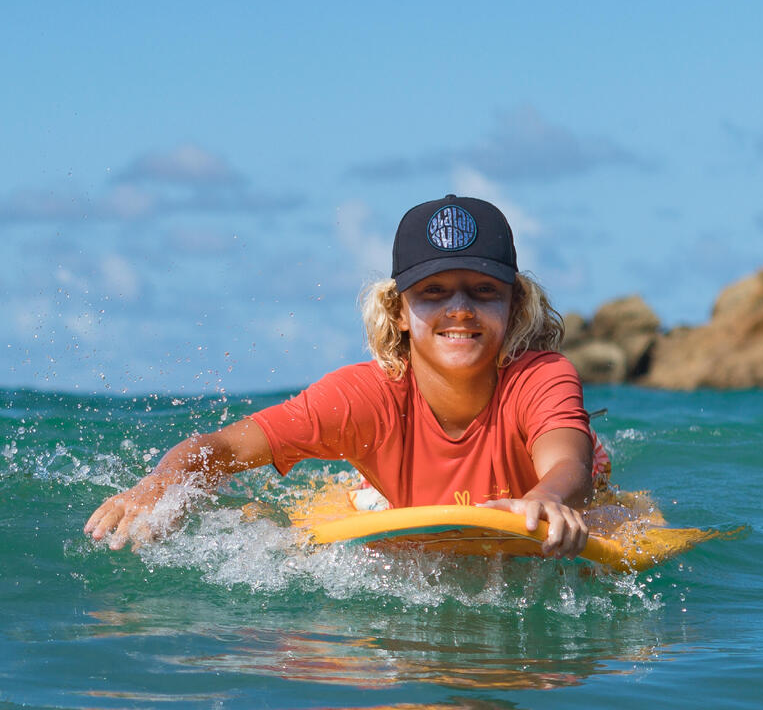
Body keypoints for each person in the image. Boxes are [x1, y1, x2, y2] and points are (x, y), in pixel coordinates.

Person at [85, 195, 609, 559]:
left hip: (542, 490)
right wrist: (161, 483)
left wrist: (548, 499)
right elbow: (220, 447)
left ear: (514, 307)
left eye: (483, 291)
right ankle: (373, 488)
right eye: (433, 292)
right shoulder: (366, 396)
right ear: (398, 310)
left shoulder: (541, 377)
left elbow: (568, 464)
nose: (460, 309)